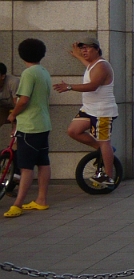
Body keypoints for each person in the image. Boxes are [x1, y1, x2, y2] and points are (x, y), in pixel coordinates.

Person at [55, 37, 119, 187]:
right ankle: (102, 149)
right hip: (89, 109)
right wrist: (77, 55)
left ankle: (109, 177)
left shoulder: (102, 66)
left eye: (87, 48)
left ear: (97, 49)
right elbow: (88, 65)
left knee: (105, 142)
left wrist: (69, 87)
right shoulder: (92, 64)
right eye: (82, 48)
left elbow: (93, 86)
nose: (84, 51)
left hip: (102, 111)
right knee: (73, 131)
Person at [4, 39, 52, 217]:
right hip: (43, 123)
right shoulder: (44, 72)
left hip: (29, 126)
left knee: (26, 167)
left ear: (21, 54)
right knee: (43, 162)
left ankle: (17, 204)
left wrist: (13, 114)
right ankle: (41, 200)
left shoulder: (28, 73)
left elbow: (23, 100)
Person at [0, 62, 19, 126]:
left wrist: (15, 124)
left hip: (17, 109)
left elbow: (18, 104)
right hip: (3, 108)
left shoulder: (13, 82)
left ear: (2, 76)